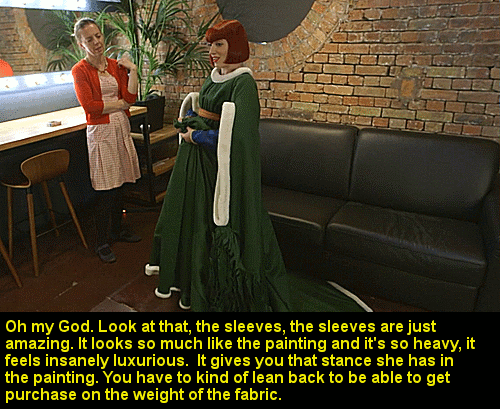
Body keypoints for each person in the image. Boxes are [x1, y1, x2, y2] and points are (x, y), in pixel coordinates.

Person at [145, 20, 371, 312]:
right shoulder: (214, 76)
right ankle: (194, 283)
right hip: (201, 168)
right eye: (211, 45)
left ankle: (221, 290)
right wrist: (190, 119)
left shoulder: (243, 84)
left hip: (223, 170)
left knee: (216, 225)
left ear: (235, 47)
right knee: (197, 224)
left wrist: (195, 136)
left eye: (219, 44)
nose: (212, 51)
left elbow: (240, 135)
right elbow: (208, 113)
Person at [72, 18, 141, 263]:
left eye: (98, 36)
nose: (96, 42)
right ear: (81, 44)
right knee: (105, 188)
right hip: (101, 132)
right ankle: (101, 241)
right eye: (89, 39)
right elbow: (90, 107)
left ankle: (117, 230)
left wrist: (133, 70)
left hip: (120, 127)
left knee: (120, 182)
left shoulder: (114, 65)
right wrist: (119, 104)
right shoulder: (80, 70)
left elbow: (130, 97)